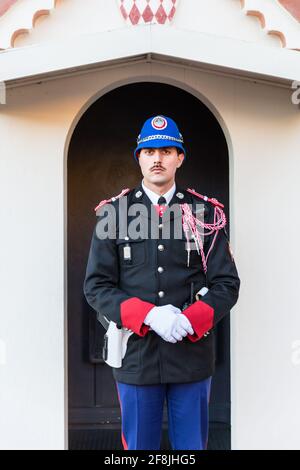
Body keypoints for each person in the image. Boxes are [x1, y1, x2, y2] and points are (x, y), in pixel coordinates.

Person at [83, 115, 240, 450]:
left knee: (191, 448)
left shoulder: (203, 213)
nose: (157, 158)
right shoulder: (114, 213)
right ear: (138, 156)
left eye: (167, 150)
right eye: (149, 151)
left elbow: (226, 283)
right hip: (137, 355)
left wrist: (189, 319)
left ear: (179, 158)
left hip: (192, 354)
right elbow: (96, 286)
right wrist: (149, 316)